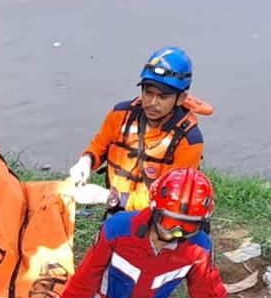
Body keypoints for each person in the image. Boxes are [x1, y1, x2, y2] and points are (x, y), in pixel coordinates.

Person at [47, 168, 238, 298]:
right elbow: (86, 278)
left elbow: (209, 295)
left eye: (187, 227)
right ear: (155, 211)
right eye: (170, 222)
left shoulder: (198, 250)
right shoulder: (118, 230)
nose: (176, 233)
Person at [67, 47, 208, 213]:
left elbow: (171, 196)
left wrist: (108, 197)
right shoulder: (120, 115)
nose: (152, 102)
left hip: (160, 219)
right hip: (118, 209)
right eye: (148, 93)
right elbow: (99, 146)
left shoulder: (189, 140)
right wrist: (86, 161)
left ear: (181, 98)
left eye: (163, 97)